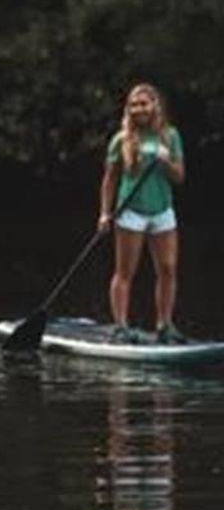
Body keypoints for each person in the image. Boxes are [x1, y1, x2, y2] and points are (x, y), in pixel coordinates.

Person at [97, 83, 187, 344]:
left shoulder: (170, 136)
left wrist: (165, 161)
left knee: (168, 268)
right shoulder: (121, 140)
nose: (139, 109)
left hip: (162, 210)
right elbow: (110, 179)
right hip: (130, 212)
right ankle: (121, 326)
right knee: (126, 271)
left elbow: (180, 177)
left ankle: (164, 325)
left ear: (155, 106)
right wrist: (104, 213)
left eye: (144, 104)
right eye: (134, 105)